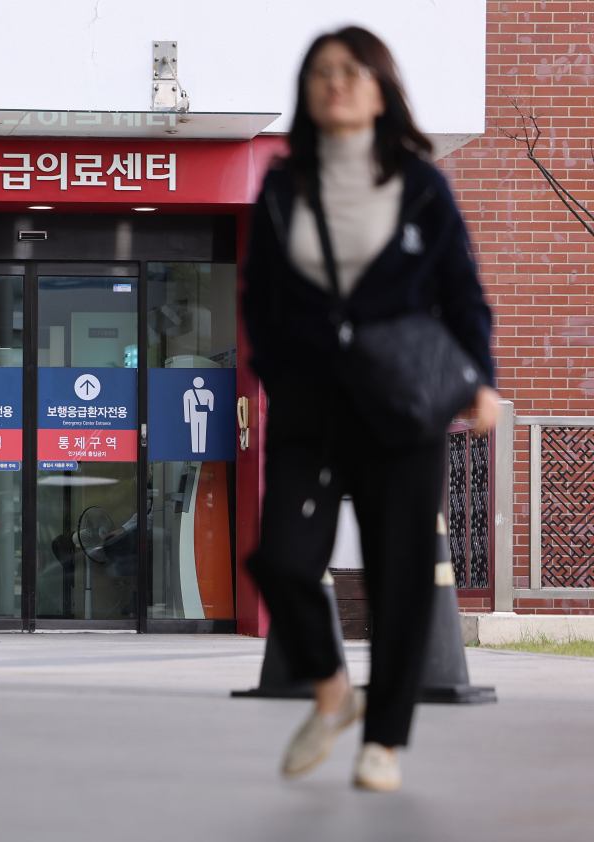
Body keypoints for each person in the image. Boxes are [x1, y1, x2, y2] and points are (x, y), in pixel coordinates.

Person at [241, 26, 497, 792]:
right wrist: (280, 374)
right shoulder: (285, 187)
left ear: (381, 86)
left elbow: (463, 293)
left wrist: (479, 379)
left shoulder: (422, 185)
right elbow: (257, 297)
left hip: (401, 408)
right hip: (310, 406)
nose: (336, 83)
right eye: (321, 72)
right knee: (281, 560)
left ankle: (384, 740)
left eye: (351, 71)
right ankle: (329, 689)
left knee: (399, 578)